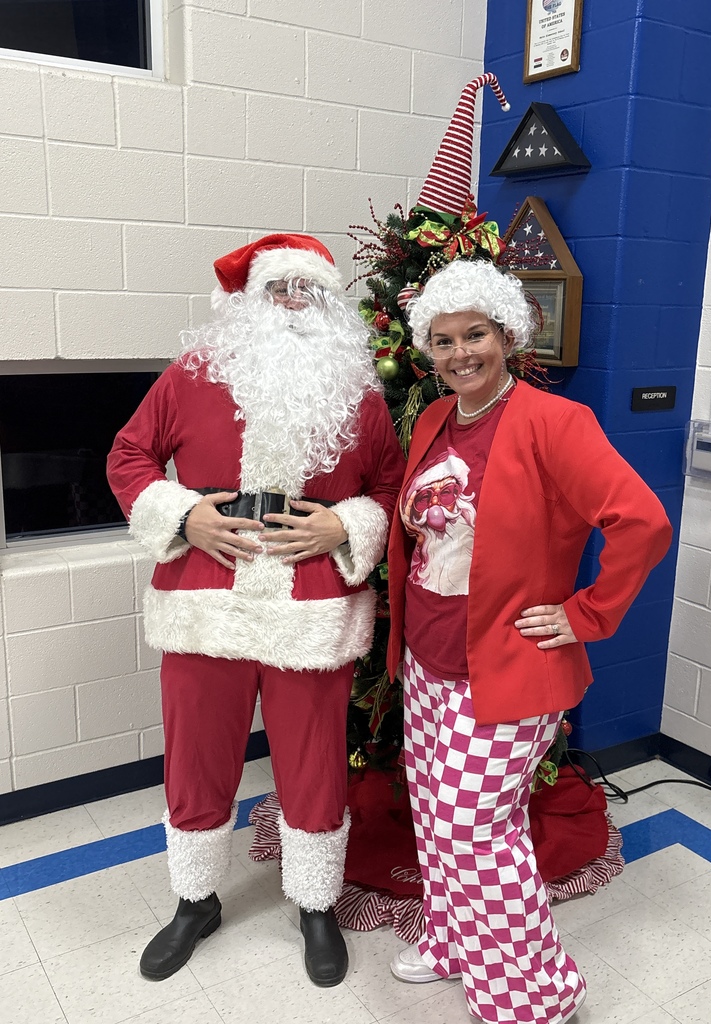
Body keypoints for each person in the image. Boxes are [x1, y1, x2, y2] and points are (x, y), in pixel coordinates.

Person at [107, 234, 405, 986]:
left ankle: (314, 902)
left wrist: (346, 525)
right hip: (206, 599)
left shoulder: (360, 397)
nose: (294, 303)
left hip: (313, 607)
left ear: (329, 305)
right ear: (250, 300)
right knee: (197, 757)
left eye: (310, 291)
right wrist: (184, 516)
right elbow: (128, 457)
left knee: (312, 764)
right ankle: (195, 898)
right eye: (280, 289)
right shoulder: (191, 377)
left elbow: (393, 490)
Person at [385, 258, 672, 1024]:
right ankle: (452, 938)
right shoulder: (438, 420)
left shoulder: (555, 423)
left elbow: (642, 523)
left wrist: (585, 614)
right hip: (430, 661)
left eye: (474, 334)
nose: (459, 354)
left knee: (473, 827)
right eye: (442, 342)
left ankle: (538, 992)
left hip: (508, 666)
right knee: (430, 810)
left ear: (507, 334)